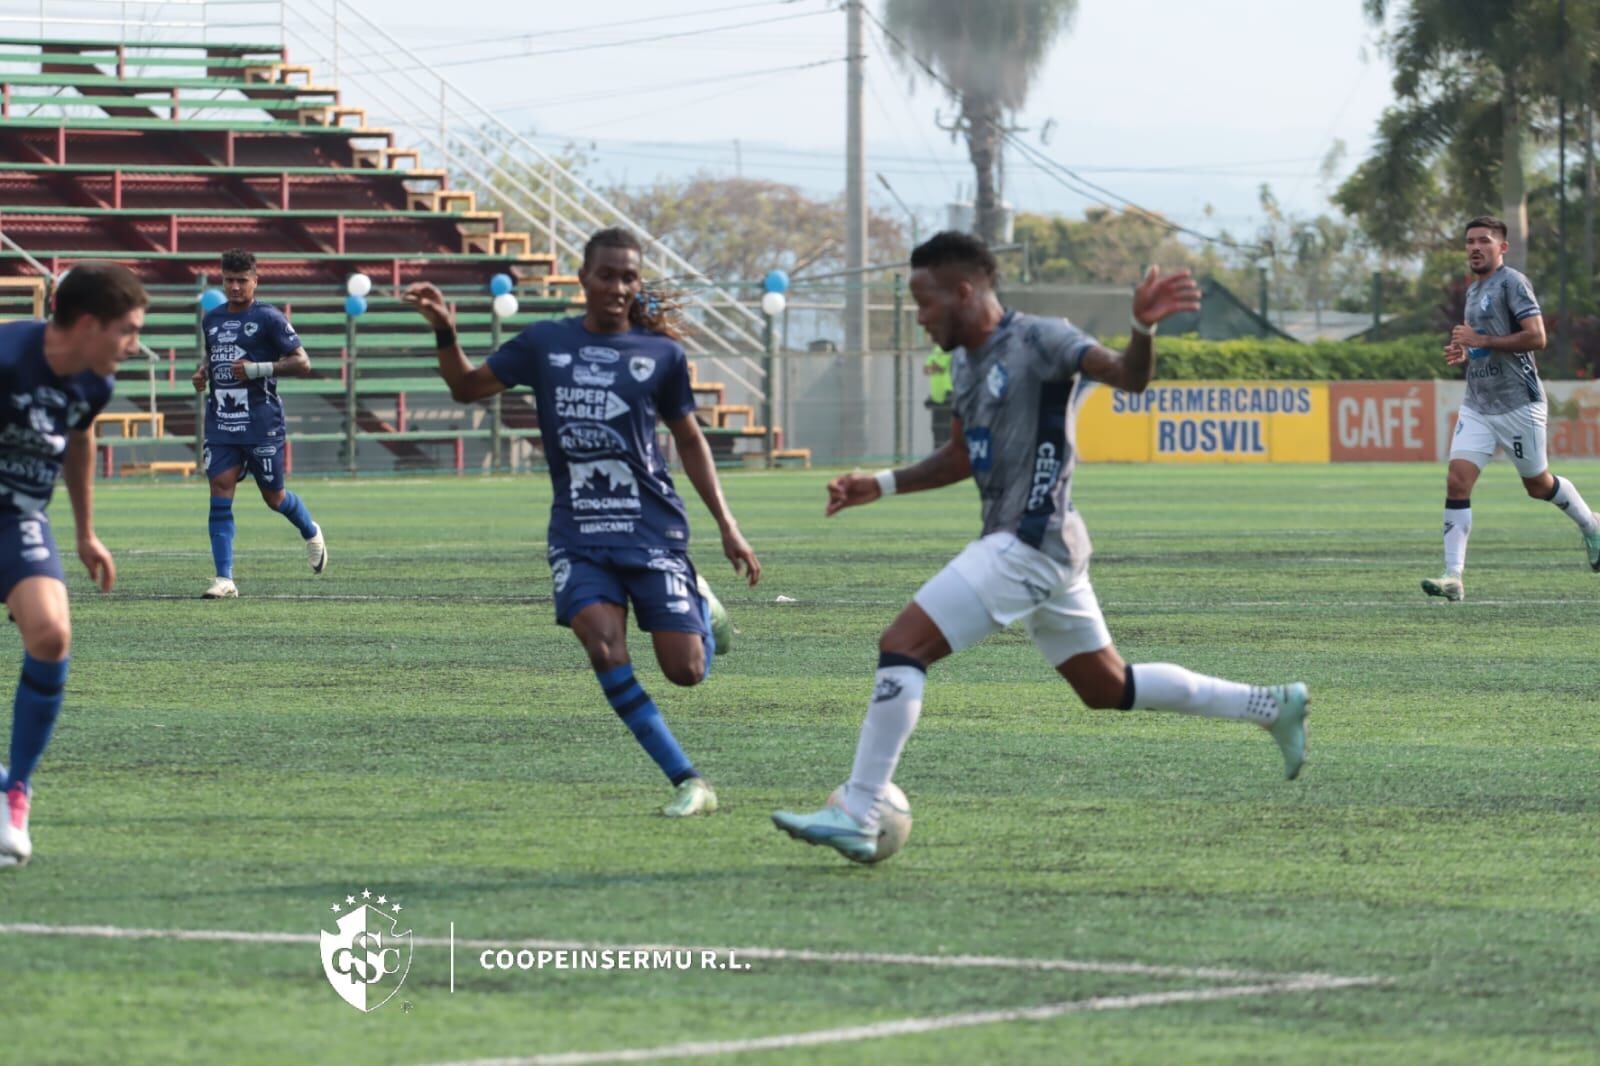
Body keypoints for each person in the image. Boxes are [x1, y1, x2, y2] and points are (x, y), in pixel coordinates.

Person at [772, 232, 1309, 863]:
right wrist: (881, 484)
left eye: (925, 303)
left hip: (1029, 541)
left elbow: (1130, 379)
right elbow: (960, 456)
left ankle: (860, 810)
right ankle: (1272, 705)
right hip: (1045, 549)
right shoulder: (965, 364)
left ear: (964, 291)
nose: (919, 318)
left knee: (901, 645)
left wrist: (1141, 326)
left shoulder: (1041, 339)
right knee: (1107, 687)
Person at [403, 227, 760, 817]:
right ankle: (690, 782)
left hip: (652, 528)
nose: (618, 286)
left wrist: (727, 524)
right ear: (582, 279)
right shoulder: (545, 343)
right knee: (602, 646)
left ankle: (701, 602)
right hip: (579, 530)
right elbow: (466, 388)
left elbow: (690, 440)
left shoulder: (662, 355)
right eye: (607, 275)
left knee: (686, 671)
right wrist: (444, 329)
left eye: (629, 277)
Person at [0, 262, 145, 866]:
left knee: (52, 634)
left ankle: (15, 792)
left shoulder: (95, 382)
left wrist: (86, 533)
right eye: (128, 331)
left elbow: (80, 440)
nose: (134, 347)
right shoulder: (6, 356)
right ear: (88, 324)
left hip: (20, 518)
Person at [1423, 215, 1600, 602]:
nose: (1475, 247)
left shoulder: (1513, 283)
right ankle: (1453, 576)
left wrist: (1480, 338)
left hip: (1519, 402)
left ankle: (1591, 525)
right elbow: (1488, 344)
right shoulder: (1473, 292)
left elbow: (1536, 338)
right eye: (1470, 241)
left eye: (1484, 240)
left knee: (1537, 485)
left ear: (1501, 247)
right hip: (1479, 403)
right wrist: (1468, 349)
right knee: (1457, 480)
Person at [191, 248, 327, 599]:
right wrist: (204, 370)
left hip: (261, 420)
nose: (235, 287)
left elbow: (303, 362)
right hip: (222, 419)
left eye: (241, 280)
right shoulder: (213, 318)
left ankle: (311, 530)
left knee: (274, 497)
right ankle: (224, 578)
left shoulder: (269, 317)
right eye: (228, 280)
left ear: (255, 280)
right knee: (220, 488)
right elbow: (214, 350)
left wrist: (258, 369)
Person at [923, 344, 953, 447]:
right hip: (936, 397)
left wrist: (933, 367)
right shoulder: (936, 349)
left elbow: (940, 367)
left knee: (947, 429)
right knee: (937, 429)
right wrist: (933, 367)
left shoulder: (950, 347)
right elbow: (926, 369)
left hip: (948, 394)